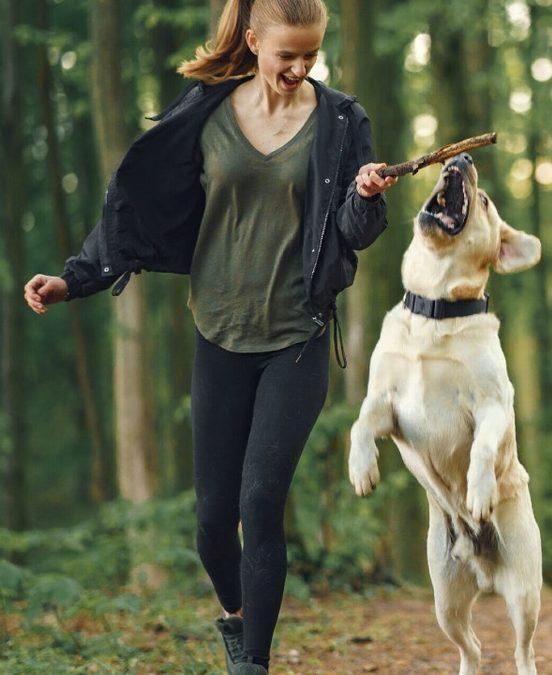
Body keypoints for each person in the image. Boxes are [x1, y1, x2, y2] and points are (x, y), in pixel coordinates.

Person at [21, 0, 397, 672]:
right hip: (219, 333)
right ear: (253, 42)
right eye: (287, 55)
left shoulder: (342, 121)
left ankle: (254, 663)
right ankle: (236, 614)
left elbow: (353, 233)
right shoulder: (205, 112)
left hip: (297, 335)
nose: (300, 68)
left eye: (311, 55)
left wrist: (365, 197)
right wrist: (74, 279)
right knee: (213, 521)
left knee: (261, 500)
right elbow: (135, 202)